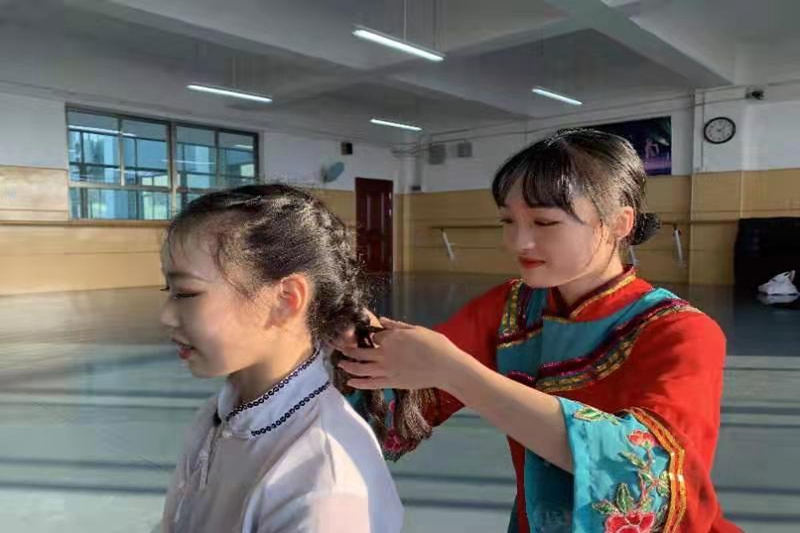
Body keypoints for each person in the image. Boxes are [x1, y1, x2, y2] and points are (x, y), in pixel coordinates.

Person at [337, 129, 741, 532]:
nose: (518, 242)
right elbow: (411, 400)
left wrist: (455, 372)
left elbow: (645, 474)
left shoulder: (681, 331)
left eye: (544, 222)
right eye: (508, 220)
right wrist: (356, 334)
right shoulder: (510, 307)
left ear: (619, 223)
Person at [158, 184, 402, 533]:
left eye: (186, 293)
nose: (165, 316)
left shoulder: (321, 485)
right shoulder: (217, 416)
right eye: (168, 290)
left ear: (285, 300)